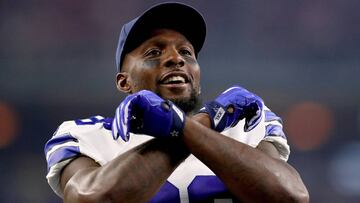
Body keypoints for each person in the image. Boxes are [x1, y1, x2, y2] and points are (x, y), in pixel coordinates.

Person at [45, 2, 309, 203]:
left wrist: (183, 124)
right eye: (154, 52)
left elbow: (290, 196)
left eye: (186, 52)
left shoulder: (245, 125)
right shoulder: (85, 135)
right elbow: (91, 198)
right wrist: (201, 124)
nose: (176, 59)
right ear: (124, 82)